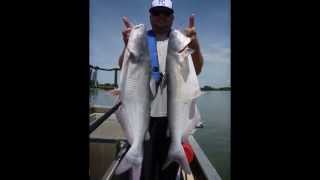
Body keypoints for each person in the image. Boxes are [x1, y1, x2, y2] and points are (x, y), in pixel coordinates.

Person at [117, 0, 203, 179]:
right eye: (157, 13)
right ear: (150, 16)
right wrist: (127, 46)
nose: (161, 17)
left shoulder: (180, 40)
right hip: (143, 118)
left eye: (166, 13)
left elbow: (198, 69)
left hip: (173, 119)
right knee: (145, 172)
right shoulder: (140, 39)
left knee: (167, 174)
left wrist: (196, 47)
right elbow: (123, 69)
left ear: (172, 17)